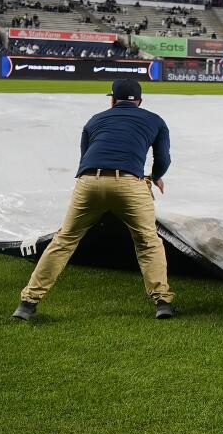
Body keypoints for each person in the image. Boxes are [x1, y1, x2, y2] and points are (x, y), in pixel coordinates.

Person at [11, 78, 176, 321]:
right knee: (148, 241)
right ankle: (162, 302)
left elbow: (85, 158)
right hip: (130, 183)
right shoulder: (155, 120)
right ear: (140, 101)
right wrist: (154, 178)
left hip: (89, 181)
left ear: (112, 100)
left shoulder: (95, 120)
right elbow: (163, 159)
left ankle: (27, 303)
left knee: (64, 240)